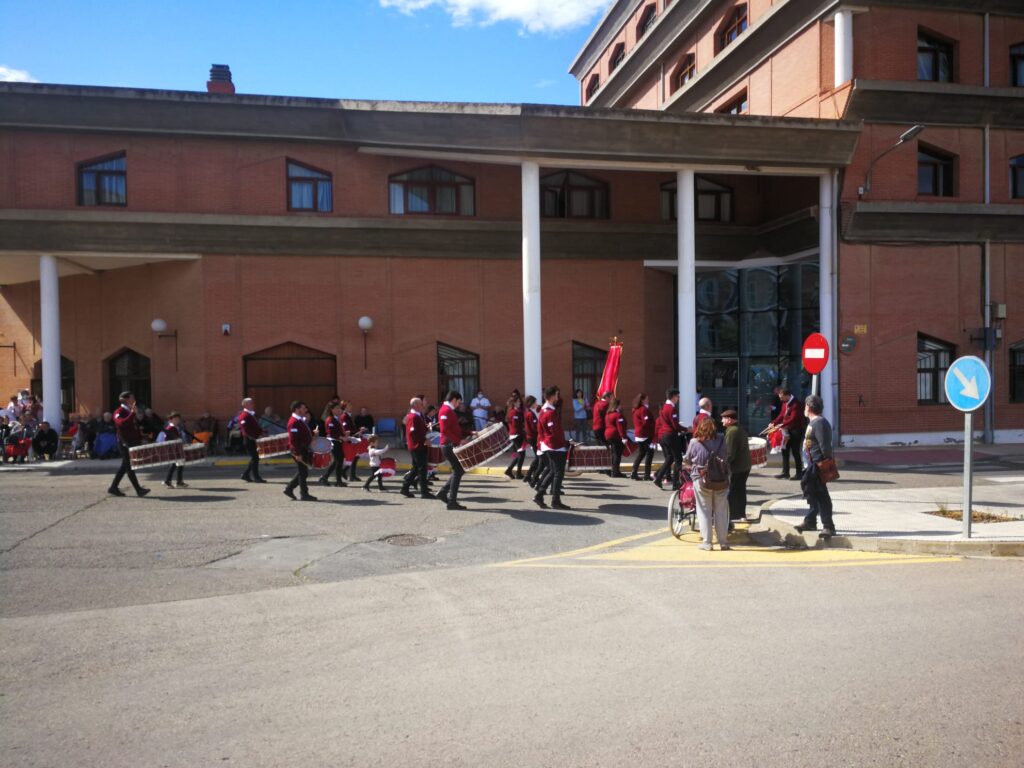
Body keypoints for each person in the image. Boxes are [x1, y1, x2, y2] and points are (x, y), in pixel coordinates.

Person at [684, 417, 731, 551]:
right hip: (721, 479)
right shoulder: (721, 439)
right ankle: (723, 542)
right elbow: (726, 456)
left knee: (704, 510)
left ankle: (707, 542)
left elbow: (687, 460)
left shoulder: (694, 442)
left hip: (701, 479)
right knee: (721, 511)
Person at [797, 395, 836, 537]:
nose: (804, 409)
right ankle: (810, 522)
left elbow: (825, 446)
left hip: (818, 465)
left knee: (821, 495)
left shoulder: (819, 423)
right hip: (811, 465)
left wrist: (824, 464)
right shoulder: (813, 422)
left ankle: (828, 526)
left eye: (805, 406)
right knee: (812, 493)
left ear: (808, 407)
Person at [534, 386, 569, 510]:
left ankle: (539, 495)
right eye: (557, 394)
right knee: (558, 473)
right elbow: (554, 432)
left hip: (548, 444)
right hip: (555, 446)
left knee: (553, 471)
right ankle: (555, 501)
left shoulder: (543, 411)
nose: (558, 397)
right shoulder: (550, 412)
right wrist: (565, 443)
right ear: (552, 396)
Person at [108, 392, 150, 497]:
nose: (134, 399)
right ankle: (138, 490)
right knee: (129, 466)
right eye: (132, 398)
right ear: (126, 400)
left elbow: (134, 427)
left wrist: (140, 438)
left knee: (124, 466)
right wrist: (132, 414)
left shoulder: (130, 411)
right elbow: (121, 423)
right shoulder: (119, 411)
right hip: (124, 442)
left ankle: (113, 487)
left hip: (131, 442)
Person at [435, 391, 467, 510]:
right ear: (453, 399)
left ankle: (444, 493)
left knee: (459, 470)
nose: (459, 404)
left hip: (450, 444)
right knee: (458, 470)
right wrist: (459, 441)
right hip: (449, 445)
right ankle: (451, 501)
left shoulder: (448, 410)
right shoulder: (445, 410)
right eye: (458, 402)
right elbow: (445, 430)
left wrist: (469, 432)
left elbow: (454, 428)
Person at [770, 386, 806, 480]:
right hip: (787, 429)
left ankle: (799, 473)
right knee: (784, 450)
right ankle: (785, 472)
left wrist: (780, 425)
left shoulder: (796, 404)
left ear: (787, 395)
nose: (780, 399)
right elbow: (781, 415)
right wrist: (773, 423)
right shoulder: (785, 403)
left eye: (782, 397)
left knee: (795, 451)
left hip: (796, 430)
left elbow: (793, 418)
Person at [722, 409, 751, 524]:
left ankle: (733, 515)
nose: (722, 421)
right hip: (744, 466)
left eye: (724, 418)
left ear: (729, 419)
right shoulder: (738, 428)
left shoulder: (732, 432)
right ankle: (741, 514)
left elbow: (729, 453)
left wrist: (722, 465)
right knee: (740, 490)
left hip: (737, 467)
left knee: (733, 492)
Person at [283, 400, 316, 501]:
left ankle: (289, 489)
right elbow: (294, 440)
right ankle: (303, 494)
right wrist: (297, 454)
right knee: (303, 472)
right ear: (297, 409)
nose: (305, 409)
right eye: (303, 408)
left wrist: (313, 435)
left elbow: (303, 435)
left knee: (303, 472)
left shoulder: (299, 420)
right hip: (299, 450)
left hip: (303, 449)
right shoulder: (294, 422)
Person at [400, 398, 432, 499]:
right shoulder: (413, 416)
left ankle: (405, 488)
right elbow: (413, 432)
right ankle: (424, 492)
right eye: (420, 404)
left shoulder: (417, 416)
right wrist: (424, 440)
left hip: (417, 445)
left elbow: (418, 430)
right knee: (422, 469)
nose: (422, 405)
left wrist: (426, 428)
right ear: (415, 405)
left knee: (415, 468)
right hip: (417, 446)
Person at [653, 388, 685, 490]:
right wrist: (686, 429)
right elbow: (675, 425)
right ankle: (676, 483)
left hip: (665, 436)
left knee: (670, 458)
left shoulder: (664, 407)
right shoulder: (671, 408)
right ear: (673, 397)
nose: (678, 398)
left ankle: (658, 478)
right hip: (671, 436)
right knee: (678, 459)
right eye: (678, 396)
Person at [317, 401, 349, 487]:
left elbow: (337, 431)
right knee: (339, 460)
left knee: (337, 461)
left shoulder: (336, 419)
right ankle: (338, 481)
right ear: (332, 410)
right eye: (337, 408)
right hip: (333, 442)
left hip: (337, 441)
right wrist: (342, 437)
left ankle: (326, 477)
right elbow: (331, 433)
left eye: (339, 408)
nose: (339, 410)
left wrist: (344, 434)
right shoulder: (330, 419)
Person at [238, 398, 266, 483]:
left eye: (252, 403)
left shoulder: (250, 414)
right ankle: (256, 477)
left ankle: (245, 475)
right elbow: (246, 430)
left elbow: (255, 427)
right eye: (250, 403)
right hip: (250, 440)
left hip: (254, 439)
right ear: (245, 405)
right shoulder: (244, 415)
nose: (253, 405)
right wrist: (255, 437)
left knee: (255, 458)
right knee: (255, 458)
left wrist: (262, 432)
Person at [158, 411, 190, 488]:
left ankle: (179, 482)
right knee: (174, 465)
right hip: (173, 450)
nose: (177, 420)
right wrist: (180, 443)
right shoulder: (170, 428)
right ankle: (168, 482)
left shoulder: (175, 427)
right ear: (170, 420)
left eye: (178, 419)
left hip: (176, 449)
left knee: (179, 464)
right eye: (175, 419)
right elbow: (171, 438)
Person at [630, 392, 655, 481]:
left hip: (639, 434)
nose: (648, 400)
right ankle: (647, 474)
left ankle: (634, 472)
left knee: (641, 453)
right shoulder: (643, 410)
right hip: (645, 434)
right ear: (642, 400)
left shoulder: (636, 409)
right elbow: (646, 422)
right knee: (649, 454)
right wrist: (654, 425)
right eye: (647, 399)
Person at [603, 397, 629, 478]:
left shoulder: (608, 414)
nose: (621, 406)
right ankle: (616, 472)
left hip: (608, 435)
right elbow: (620, 427)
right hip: (615, 435)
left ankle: (611, 470)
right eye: (620, 405)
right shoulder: (618, 415)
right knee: (617, 454)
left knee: (613, 454)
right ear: (617, 405)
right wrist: (623, 437)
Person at [504, 393, 526, 480]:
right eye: (518, 402)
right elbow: (515, 425)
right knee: (521, 454)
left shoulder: (517, 411)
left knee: (519, 454)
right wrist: (523, 429)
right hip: (516, 435)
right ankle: (517, 473)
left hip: (517, 434)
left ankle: (510, 470)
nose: (519, 403)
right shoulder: (513, 412)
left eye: (519, 402)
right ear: (514, 403)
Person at [522, 395, 542, 487]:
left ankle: (532, 476)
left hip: (531, 437)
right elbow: (535, 428)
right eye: (535, 402)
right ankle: (529, 475)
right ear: (531, 403)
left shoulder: (529, 412)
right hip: (533, 437)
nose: (536, 404)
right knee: (538, 458)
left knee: (538, 457)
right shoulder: (530, 414)